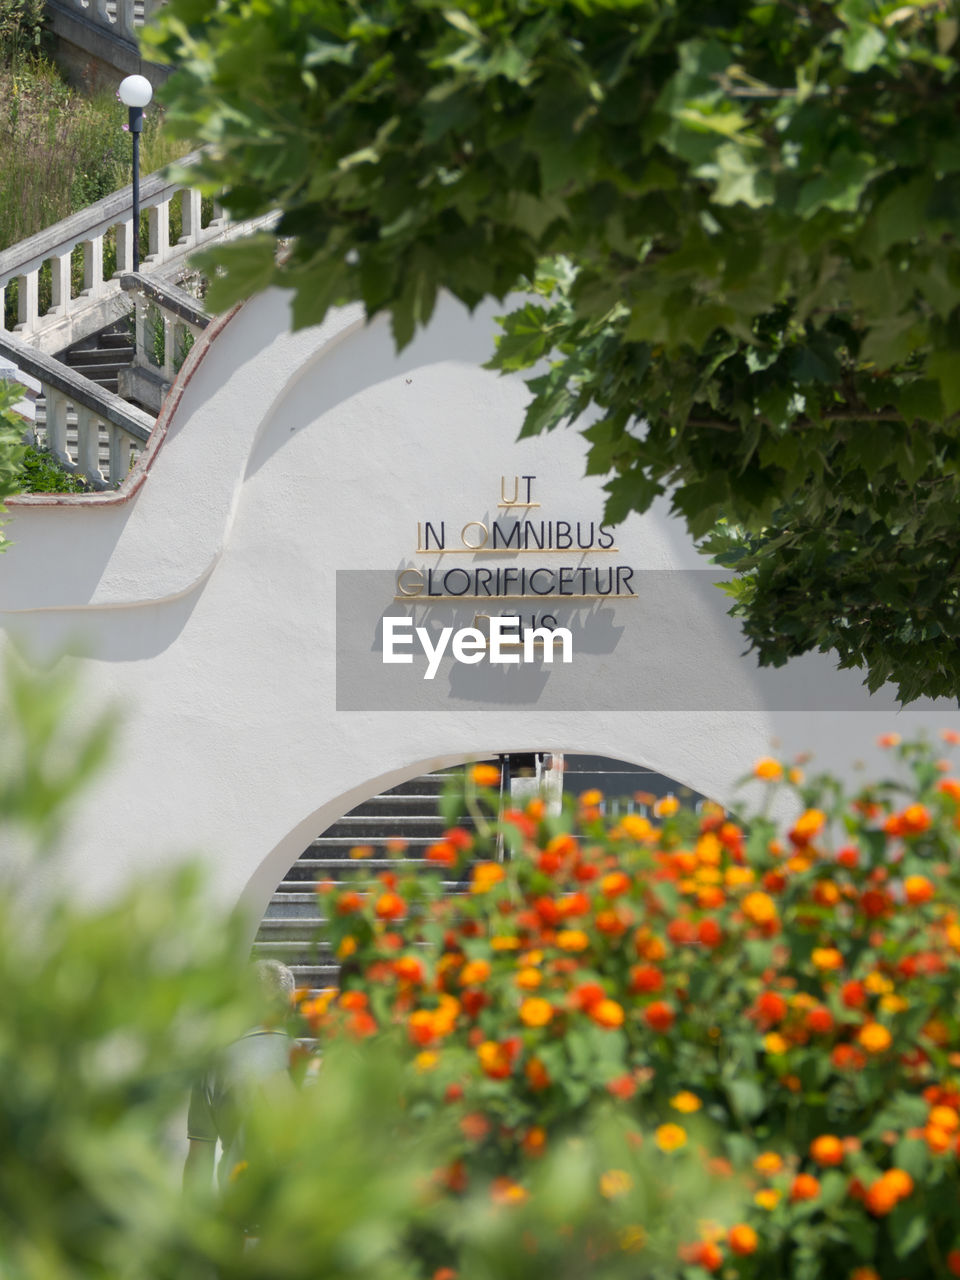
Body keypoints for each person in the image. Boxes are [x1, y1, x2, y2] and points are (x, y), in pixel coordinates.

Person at [183, 959, 297, 1191]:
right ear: (292, 1006)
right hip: (299, 1213)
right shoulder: (308, 1063)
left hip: (236, 1208)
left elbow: (198, 1161)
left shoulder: (213, 1066)